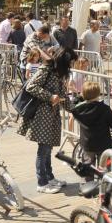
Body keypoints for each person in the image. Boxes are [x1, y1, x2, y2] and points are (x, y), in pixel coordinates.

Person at [18, 47, 75, 193]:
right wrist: (50, 97)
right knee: (43, 149)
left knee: (48, 148)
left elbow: (62, 95)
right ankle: (41, 183)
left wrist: (76, 110)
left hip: (52, 115)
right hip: (41, 115)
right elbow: (30, 86)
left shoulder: (59, 73)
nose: (72, 66)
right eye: (70, 63)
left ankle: (49, 177)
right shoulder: (46, 69)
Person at [70, 81, 112, 180]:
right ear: (98, 94)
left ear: (83, 94)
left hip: (87, 143)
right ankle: (106, 184)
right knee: (106, 164)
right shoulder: (104, 109)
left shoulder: (78, 110)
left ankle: (89, 185)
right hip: (103, 143)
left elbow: (72, 104)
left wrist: (81, 97)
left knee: (88, 164)